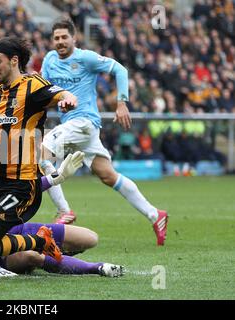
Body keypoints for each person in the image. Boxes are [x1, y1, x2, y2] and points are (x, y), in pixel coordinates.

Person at [41, 18, 168, 245]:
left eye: (64, 37)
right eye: (56, 38)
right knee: (108, 175)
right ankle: (154, 214)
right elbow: (45, 92)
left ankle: (64, 211)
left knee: (41, 153)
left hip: (83, 122)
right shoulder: (49, 60)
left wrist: (121, 102)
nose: (60, 42)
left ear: (74, 38)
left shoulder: (86, 58)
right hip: (77, 127)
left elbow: (120, 69)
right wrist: (54, 103)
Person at [0, 36, 78, 264]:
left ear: (14, 60)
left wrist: (68, 99)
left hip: (21, 184)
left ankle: (40, 244)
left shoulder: (33, 85)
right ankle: (38, 243)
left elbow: (62, 94)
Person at [0, 142, 125, 277]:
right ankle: (97, 268)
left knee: (90, 238)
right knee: (31, 256)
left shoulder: (0, 169)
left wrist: (58, 176)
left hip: (21, 229)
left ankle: (51, 252)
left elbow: (26, 188)